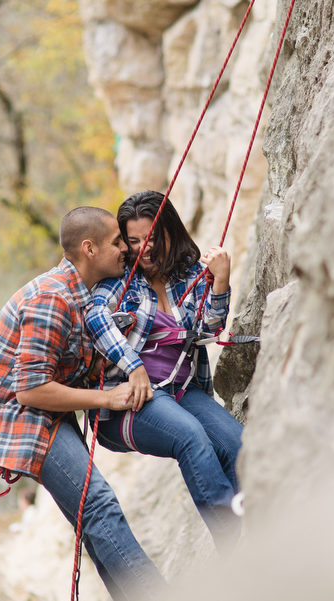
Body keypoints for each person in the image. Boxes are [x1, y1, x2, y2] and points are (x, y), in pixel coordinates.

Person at [0, 207, 164, 601]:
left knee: (92, 516)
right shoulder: (51, 299)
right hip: (20, 414)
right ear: (89, 249)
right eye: (116, 243)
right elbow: (30, 390)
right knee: (98, 506)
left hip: (46, 409)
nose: (126, 250)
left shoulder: (81, 291)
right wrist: (107, 397)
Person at [86, 190, 243, 548]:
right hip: (128, 403)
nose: (146, 250)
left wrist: (220, 280)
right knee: (192, 437)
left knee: (238, 446)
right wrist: (134, 366)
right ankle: (234, 542)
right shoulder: (119, 281)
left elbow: (207, 329)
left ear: (170, 231)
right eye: (135, 241)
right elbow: (95, 317)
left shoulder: (187, 275)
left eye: (153, 238)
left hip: (183, 390)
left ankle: (253, 527)